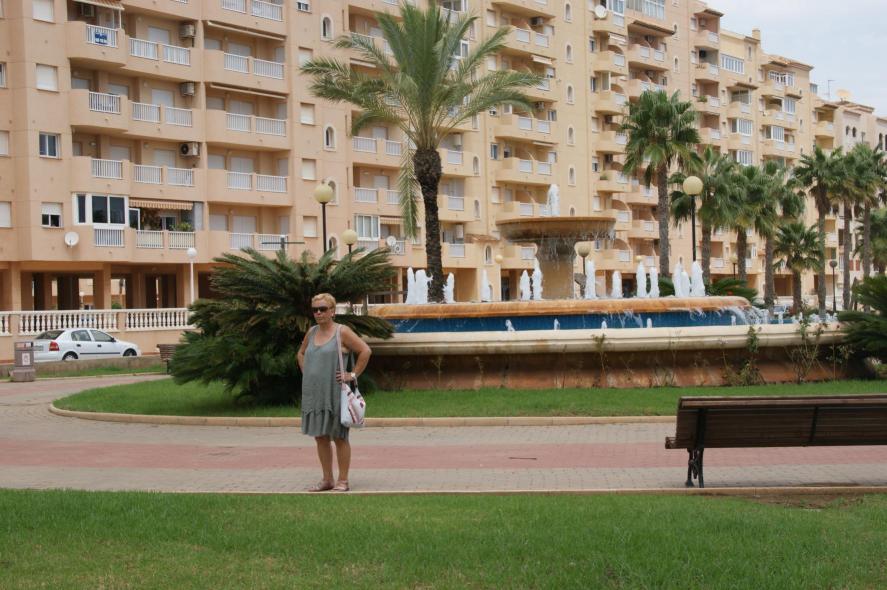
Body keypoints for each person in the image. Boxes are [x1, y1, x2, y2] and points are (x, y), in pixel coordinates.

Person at [297, 293, 371, 492]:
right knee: (320, 436)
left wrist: (352, 374)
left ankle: (343, 480)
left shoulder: (342, 332)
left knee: (339, 436)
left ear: (332, 311)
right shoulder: (312, 332)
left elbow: (365, 351)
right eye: (315, 310)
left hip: (335, 392)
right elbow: (301, 353)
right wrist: (307, 372)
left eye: (322, 309)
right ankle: (327, 479)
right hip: (315, 393)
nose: (318, 313)